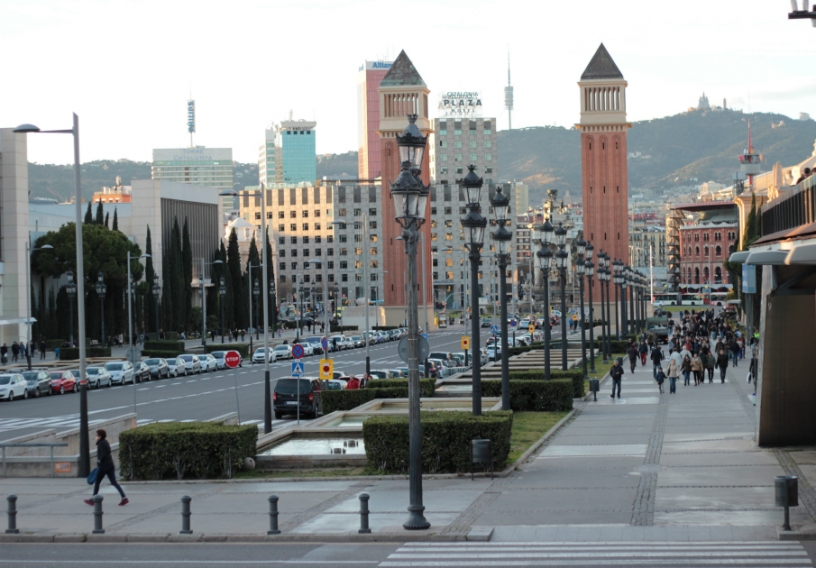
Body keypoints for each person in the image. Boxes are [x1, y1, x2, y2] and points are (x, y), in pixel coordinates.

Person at [84, 429, 128, 507]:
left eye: (96, 435)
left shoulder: (101, 444)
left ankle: (93, 500)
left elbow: (104, 454)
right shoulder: (105, 442)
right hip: (110, 465)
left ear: (100, 436)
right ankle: (124, 498)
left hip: (104, 466)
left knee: (97, 482)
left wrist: (99, 460)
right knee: (114, 482)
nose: (95, 436)